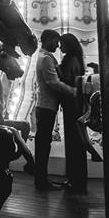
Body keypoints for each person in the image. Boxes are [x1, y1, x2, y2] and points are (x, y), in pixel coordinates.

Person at [33, 29, 77, 191]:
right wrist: (74, 92)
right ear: (48, 40)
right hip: (46, 106)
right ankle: (41, 180)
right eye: (56, 41)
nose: (58, 45)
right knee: (44, 144)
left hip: (46, 105)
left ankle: (41, 178)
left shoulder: (46, 57)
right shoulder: (45, 59)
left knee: (44, 143)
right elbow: (53, 82)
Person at [59, 33, 88, 193]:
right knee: (75, 142)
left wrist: (56, 70)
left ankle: (75, 179)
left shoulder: (71, 60)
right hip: (75, 105)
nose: (60, 47)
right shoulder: (76, 59)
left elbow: (67, 81)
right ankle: (77, 179)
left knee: (73, 142)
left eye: (62, 44)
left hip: (72, 105)